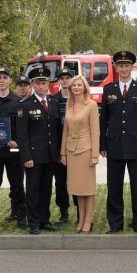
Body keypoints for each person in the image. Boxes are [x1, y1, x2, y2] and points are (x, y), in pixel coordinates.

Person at [100, 50, 137, 234]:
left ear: (132, 67)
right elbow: (103, 120)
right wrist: (103, 145)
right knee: (114, 188)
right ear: (116, 67)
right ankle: (115, 224)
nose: (123, 69)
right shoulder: (109, 90)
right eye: (120, 65)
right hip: (114, 145)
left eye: (127, 66)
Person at [15, 67, 62, 234]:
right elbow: (22, 135)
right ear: (33, 85)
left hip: (50, 155)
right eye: (38, 83)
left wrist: (58, 153)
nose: (41, 86)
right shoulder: (25, 105)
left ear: (48, 84)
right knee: (33, 191)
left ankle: (44, 220)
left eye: (44, 83)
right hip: (34, 156)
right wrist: (26, 156)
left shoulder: (54, 103)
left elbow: (57, 131)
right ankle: (33, 222)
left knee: (46, 190)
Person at [0, 67, 28, 229]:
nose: (2, 80)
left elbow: (24, 128)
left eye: (5, 77)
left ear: (10, 81)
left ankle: (21, 216)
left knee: (17, 185)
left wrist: (17, 141)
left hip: (13, 152)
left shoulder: (19, 102)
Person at [60, 74, 100, 233]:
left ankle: (88, 221)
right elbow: (65, 131)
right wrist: (63, 152)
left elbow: (95, 131)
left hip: (86, 150)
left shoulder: (91, 105)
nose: (76, 88)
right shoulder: (69, 104)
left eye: (79, 85)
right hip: (71, 150)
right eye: (73, 85)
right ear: (70, 88)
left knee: (88, 188)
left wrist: (94, 155)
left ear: (84, 87)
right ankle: (81, 219)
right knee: (78, 188)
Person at [52, 67, 75, 225]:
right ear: (59, 81)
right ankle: (64, 213)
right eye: (62, 78)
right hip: (59, 148)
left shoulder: (79, 98)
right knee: (60, 182)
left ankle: (81, 211)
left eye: (68, 77)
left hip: (76, 147)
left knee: (77, 181)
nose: (65, 80)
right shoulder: (53, 100)